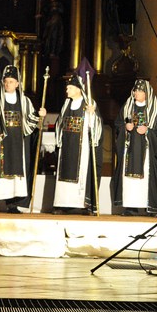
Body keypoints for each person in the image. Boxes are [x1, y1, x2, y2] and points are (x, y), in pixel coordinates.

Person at [0, 64, 41, 213]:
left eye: (11, 82)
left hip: (18, 143)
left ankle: (13, 204)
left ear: (17, 84)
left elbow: (30, 120)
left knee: (16, 175)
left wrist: (39, 115)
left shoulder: (24, 101)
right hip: (2, 141)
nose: (7, 84)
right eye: (5, 81)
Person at [112, 78, 157, 216]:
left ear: (146, 93)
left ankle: (150, 208)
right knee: (130, 181)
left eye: (140, 91)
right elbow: (118, 123)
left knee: (147, 178)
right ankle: (131, 207)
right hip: (129, 150)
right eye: (135, 90)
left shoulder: (154, 109)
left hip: (146, 151)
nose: (136, 93)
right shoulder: (128, 107)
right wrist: (125, 127)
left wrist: (148, 130)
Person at [51, 74, 103, 215]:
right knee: (64, 173)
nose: (67, 90)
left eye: (69, 88)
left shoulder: (89, 104)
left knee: (81, 173)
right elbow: (60, 122)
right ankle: (63, 204)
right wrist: (60, 139)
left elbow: (96, 127)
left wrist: (92, 115)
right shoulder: (66, 104)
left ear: (78, 89)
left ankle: (82, 205)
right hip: (66, 146)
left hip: (82, 147)